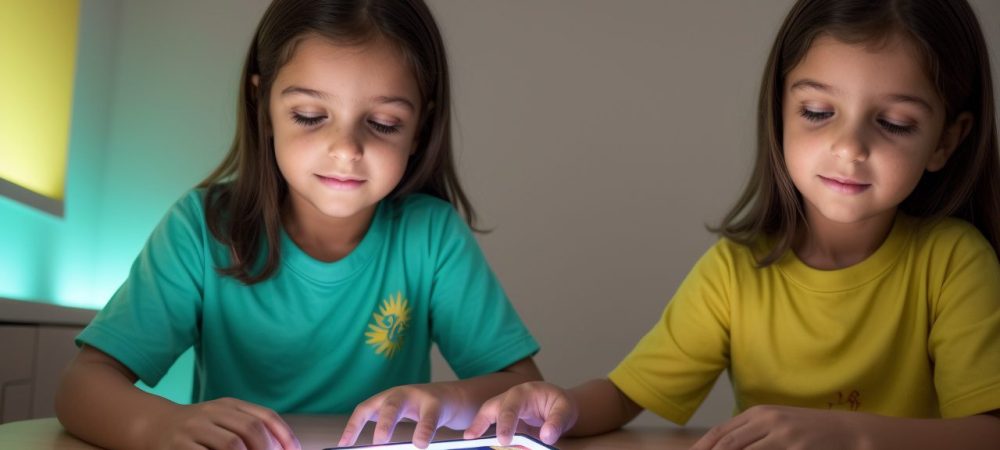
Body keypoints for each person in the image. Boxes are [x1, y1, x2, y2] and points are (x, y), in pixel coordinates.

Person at [464, 0, 1000, 448]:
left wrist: (846, 433)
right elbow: (628, 394)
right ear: (780, 113)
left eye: (893, 123)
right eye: (818, 112)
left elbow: (987, 432)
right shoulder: (735, 271)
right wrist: (563, 404)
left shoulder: (954, 262)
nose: (849, 147)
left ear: (947, 141)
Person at [55, 1, 542, 449]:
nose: (346, 149)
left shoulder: (430, 235)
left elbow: (524, 388)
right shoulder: (201, 229)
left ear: (419, 128)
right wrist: (158, 425)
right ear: (263, 106)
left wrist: (453, 397)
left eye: (385, 123)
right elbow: (81, 387)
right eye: (310, 116)